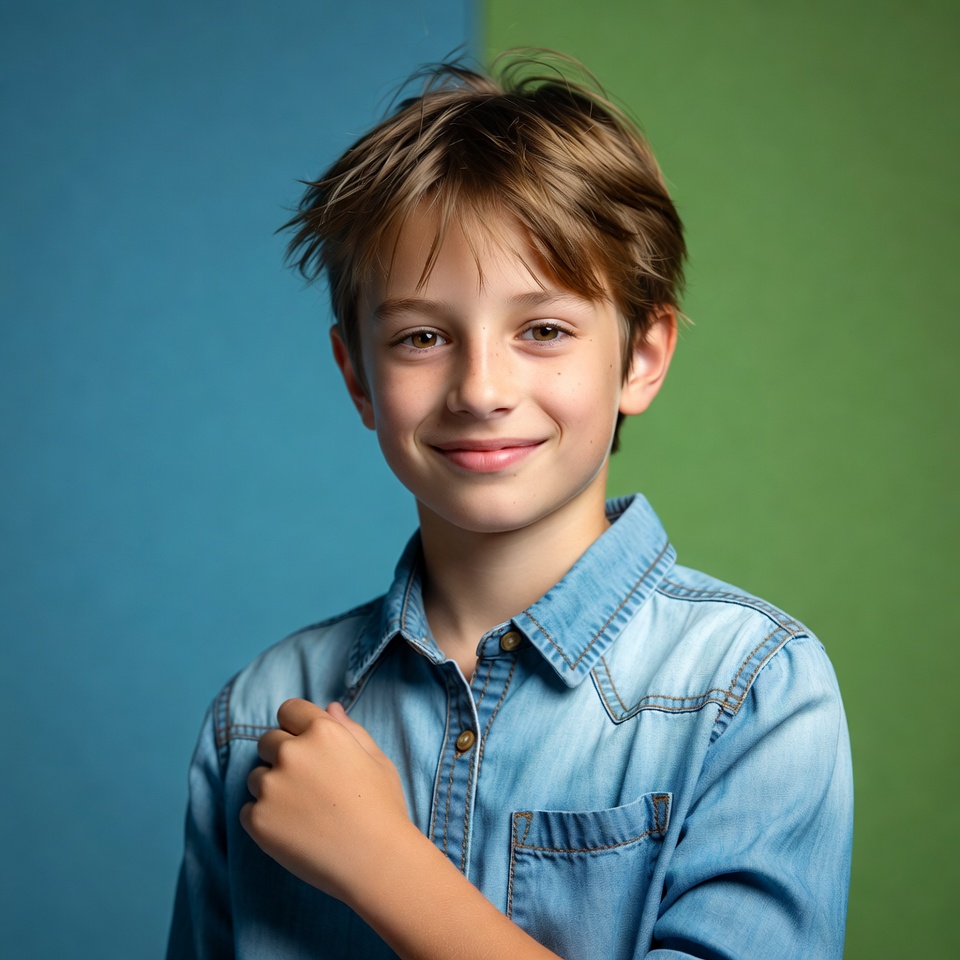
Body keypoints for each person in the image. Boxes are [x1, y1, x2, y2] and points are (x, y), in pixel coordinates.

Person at [166, 52, 853, 960]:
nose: (482, 389)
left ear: (642, 357)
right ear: (357, 377)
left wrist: (381, 864)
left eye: (544, 330)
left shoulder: (750, 690)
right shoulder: (257, 716)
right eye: (421, 336)